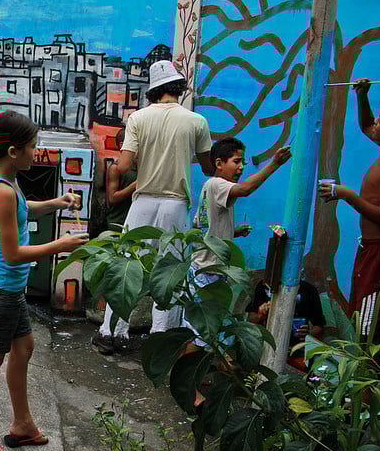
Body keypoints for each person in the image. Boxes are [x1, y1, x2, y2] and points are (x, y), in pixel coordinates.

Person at [0, 111, 87, 451]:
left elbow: (22, 209)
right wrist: (60, 246)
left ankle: (22, 423)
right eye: (32, 146)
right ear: (13, 152)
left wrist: (56, 203)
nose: (36, 152)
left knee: (24, 347)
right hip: (1, 289)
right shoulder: (1, 191)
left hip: (7, 289)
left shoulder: (5, 182)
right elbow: (13, 254)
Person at [94, 60, 215, 348]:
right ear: (178, 87)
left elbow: (123, 166)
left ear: (153, 91)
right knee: (170, 272)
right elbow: (209, 168)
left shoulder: (138, 118)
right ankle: (161, 337)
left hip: (143, 203)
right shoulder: (197, 121)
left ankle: (111, 333)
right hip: (175, 205)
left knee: (127, 269)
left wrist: (137, 155)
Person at [183, 138, 291, 343]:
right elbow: (245, 190)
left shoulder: (209, 186)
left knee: (205, 330)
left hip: (205, 268)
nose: (241, 168)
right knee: (200, 334)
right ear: (219, 164)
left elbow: (205, 226)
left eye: (243, 163)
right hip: (209, 271)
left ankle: (222, 365)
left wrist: (234, 232)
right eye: (236, 161)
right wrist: (275, 163)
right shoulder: (218, 184)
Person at [319, 79, 380, 342]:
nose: (376, 124)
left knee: (370, 325)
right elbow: (365, 125)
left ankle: (371, 381)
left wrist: (346, 194)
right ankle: (369, 380)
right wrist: (362, 96)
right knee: (364, 319)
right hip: (370, 250)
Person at [91, 127, 136, 355]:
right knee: (113, 276)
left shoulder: (143, 167)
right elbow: (112, 198)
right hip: (116, 227)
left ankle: (116, 327)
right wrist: (135, 186)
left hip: (134, 228)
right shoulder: (117, 168)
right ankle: (104, 321)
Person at [248, 277, 325, 371]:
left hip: (297, 351)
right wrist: (261, 315)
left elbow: (319, 325)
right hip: (268, 347)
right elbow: (251, 319)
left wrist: (308, 334)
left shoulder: (308, 290)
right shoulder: (264, 287)